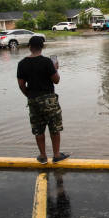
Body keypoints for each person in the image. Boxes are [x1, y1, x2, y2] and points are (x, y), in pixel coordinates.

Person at [17, 36, 70, 164]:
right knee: (54, 127)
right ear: (42, 47)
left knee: (38, 129)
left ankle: (42, 156)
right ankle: (56, 155)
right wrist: (55, 68)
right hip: (49, 99)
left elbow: (21, 85)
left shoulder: (22, 63)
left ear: (29, 47)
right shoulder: (47, 62)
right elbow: (56, 80)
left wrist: (29, 96)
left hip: (33, 100)